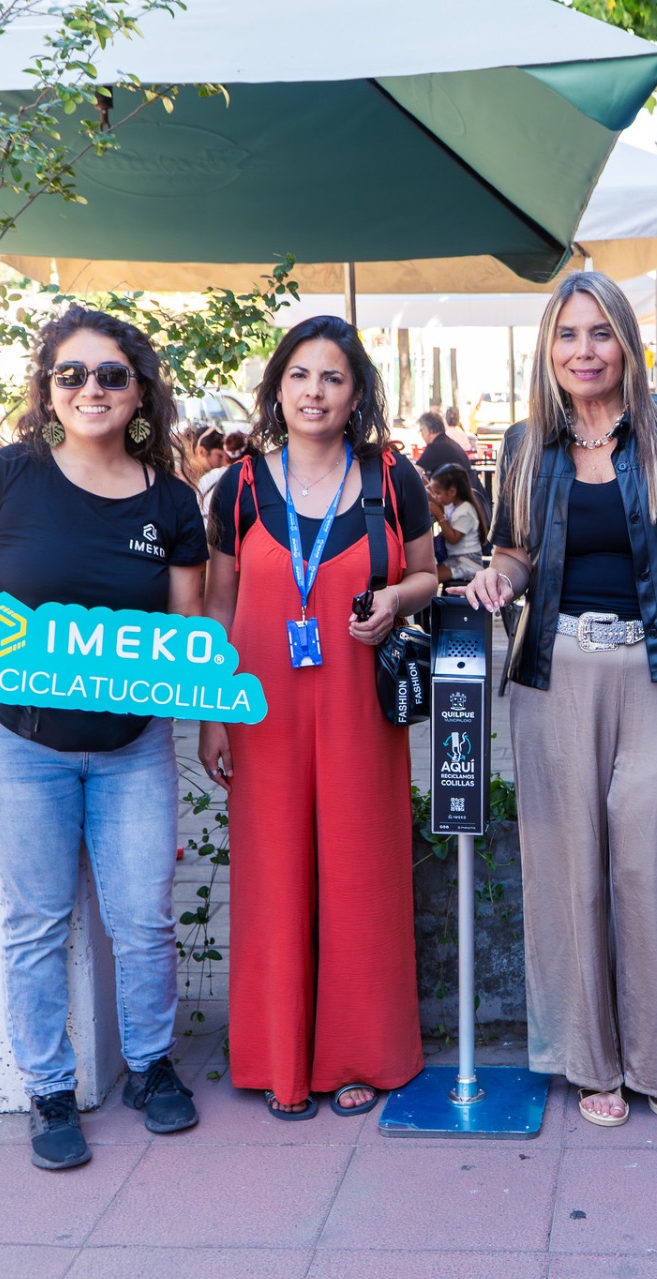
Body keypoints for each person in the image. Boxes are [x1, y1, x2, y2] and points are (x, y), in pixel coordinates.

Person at [461, 272, 657, 1127]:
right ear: (548, 350)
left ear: (626, 341)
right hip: (555, 675)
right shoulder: (525, 444)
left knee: (651, 863)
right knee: (568, 873)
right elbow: (516, 553)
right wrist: (494, 577)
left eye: (598, 333)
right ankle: (590, 1060)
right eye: (566, 336)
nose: (583, 351)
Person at [0, 305, 207, 1171]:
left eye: (111, 374)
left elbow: (187, 622)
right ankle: (48, 1087)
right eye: (72, 374)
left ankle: (151, 1065)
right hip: (18, 740)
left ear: (139, 390)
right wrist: (9, 659)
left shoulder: (171, 501)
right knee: (37, 918)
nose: (92, 388)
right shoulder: (3, 478)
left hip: (131, 747)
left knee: (143, 917)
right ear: (48, 388)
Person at [198, 315, 437, 1119]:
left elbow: (431, 575)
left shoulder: (391, 478)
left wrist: (397, 598)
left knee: (361, 872)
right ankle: (277, 1057)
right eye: (300, 374)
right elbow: (218, 601)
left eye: (333, 377)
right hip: (258, 704)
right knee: (272, 875)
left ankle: (360, 1053)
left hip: (359, 703)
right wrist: (211, 712)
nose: (315, 391)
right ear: (277, 387)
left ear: (357, 393)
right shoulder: (235, 487)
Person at [428, 463, 487, 585]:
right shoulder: (453, 505)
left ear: (452, 491)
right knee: (427, 573)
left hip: (467, 562)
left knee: (430, 578)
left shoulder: (465, 511)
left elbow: (453, 538)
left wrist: (439, 516)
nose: (436, 497)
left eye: (438, 493)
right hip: (455, 559)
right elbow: (436, 499)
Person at [414, 409, 472, 476]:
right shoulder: (448, 443)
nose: (421, 435)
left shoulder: (435, 447)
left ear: (428, 431)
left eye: (421, 431)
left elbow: (415, 472)